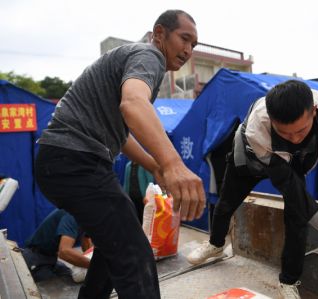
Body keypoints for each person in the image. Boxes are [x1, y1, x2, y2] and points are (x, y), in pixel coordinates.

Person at [34, 9, 205, 299]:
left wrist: (154, 164)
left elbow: (122, 132)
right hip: (74, 159)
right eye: (184, 39)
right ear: (160, 33)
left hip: (64, 160)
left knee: (115, 243)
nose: (188, 50)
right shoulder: (148, 57)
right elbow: (133, 105)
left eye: (194, 45)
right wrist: (173, 163)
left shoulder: (135, 64)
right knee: (134, 252)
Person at [187, 80, 318, 299]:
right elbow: (291, 188)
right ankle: (215, 244)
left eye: (301, 130)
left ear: (314, 112)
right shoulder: (257, 128)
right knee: (226, 203)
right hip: (250, 160)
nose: (296, 138)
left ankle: (288, 281)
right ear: (271, 120)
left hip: (292, 161)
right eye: (286, 133)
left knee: (297, 219)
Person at [22, 209, 92, 282]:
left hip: (52, 258)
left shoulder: (86, 218)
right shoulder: (72, 215)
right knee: (53, 288)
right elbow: (64, 252)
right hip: (35, 258)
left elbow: (86, 240)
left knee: (72, 279)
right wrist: (94, 265)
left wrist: (91, 259)